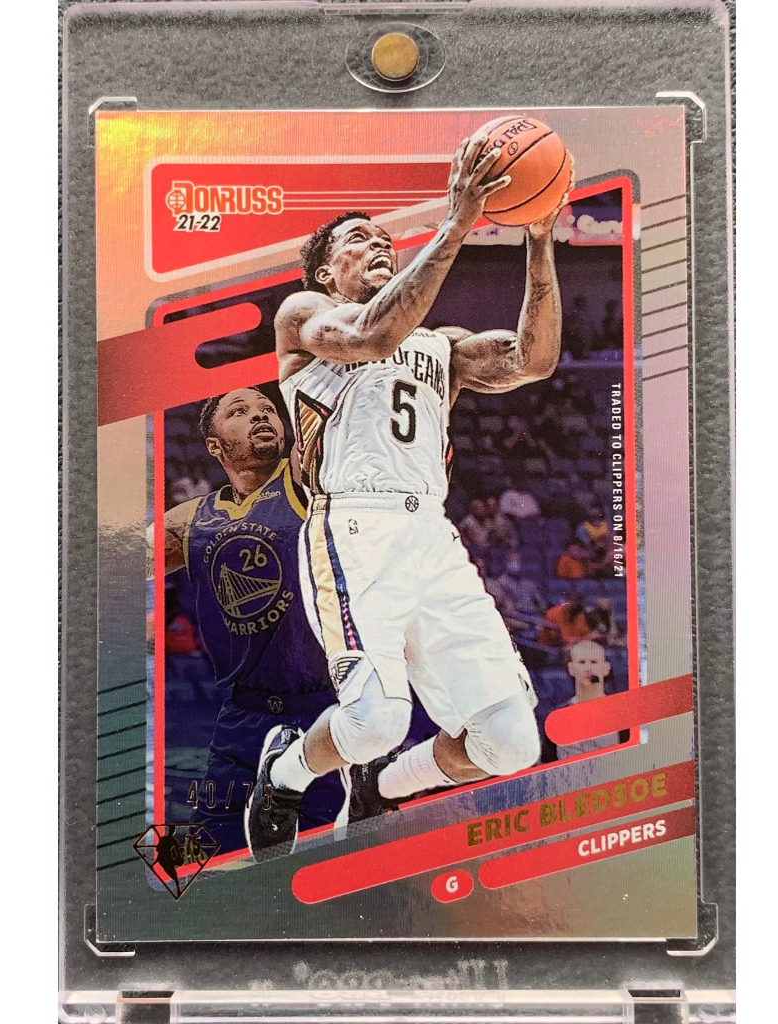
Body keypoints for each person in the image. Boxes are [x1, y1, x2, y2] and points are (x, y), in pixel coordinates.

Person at [245, 128, 573, 858]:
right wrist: (457, 221)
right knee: (375, 719)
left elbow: (534, 359)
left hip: (430, 532)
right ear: (326, 271)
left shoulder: (440, 345)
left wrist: (539, 236)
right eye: (359, 239)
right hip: (352, 527)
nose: (379, 243)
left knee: (511, 740)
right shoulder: (306, 316)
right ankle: (287, 770)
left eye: (383, 238)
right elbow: (371, 335)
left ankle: (384, 786)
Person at [151, 387, 343, 857]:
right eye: (240, 412)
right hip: (241, 717)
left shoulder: (304, 480)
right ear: (214, 445)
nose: (260, 416)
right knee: (207, 856)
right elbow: (110, 569)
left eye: (267, 410)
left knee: (324, 860)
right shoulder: (192, 521)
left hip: (325, 711)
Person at [496, 550, 545, 616]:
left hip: (532, 613)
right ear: (506, 563)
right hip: (515, 615)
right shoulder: (501, 582)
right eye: (512, 561)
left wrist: (543, 611)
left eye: (518, 561)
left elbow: (539, 602)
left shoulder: (528, 582)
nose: (516, 563)